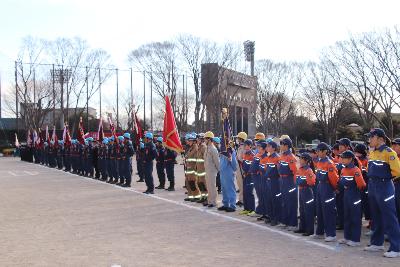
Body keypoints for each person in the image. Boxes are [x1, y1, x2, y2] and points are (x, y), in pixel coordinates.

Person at [364, 128, 400, 258]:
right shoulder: (372, 152)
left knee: (390, 217)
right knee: (376, 216)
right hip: (373, 185)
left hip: (384, 186)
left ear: (380, 139)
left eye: (371, 137)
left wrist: (385, 178)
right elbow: (370, 169)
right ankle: (377, 243)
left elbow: (397, 171)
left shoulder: (389, 152)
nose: (369, 140)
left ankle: (396, 247)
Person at [337, 150, 366, 247]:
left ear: (350, 159)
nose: (342, 159)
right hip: (346, 194)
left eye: (344, 158)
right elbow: (341, 181)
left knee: (355, 217)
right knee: (347, 216)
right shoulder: (343, 169)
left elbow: (361, 184)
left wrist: (352, 187)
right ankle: (347, 237)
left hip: (354, 195)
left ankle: (355, 239)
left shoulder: (356, 170)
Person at [313, 142, 339, 242]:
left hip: (327, 187)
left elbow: (334, 178)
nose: (317, 152)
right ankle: (319, 232)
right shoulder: (320, 162)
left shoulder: (329, 163)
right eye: (317, 150)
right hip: (320, 186)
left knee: (328, 211)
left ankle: (331, 234)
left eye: (319, 150)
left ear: (325, 151)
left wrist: (335, 188)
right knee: (319, 209)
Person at [278, 137, 298, 231]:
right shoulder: (282, 156)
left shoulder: (291, 157)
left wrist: (294, 185)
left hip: (290, 181)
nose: (280, 146)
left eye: (282, 144)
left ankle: (293, 223)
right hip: (283, 180)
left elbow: (295, 171)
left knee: (291, 202)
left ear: (286, 146)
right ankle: (285, 221)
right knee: (284, 201)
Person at [295, 152, 316, 236]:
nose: (299, 160)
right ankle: (302, 227)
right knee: (302, 209)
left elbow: (311, 182)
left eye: (301, 158)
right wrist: (300, 182)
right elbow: (296, 179)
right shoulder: (300, 169)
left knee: (308, 211)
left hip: (307, 191)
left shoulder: (309, 170)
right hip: (301, 190)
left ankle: (309, 229)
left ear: (306, 160)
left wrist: (303, 182)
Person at [264, 140, 281, 225]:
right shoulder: (268, 157)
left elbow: (279, 170)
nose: (267, 147)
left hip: (275, 180)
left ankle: (276, 218)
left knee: (275, 200)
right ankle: (270, 216)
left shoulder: (277, 157)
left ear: (273, 148)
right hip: (269, 180)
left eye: (269, 146)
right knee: (269, 199)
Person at [218, 147, 238, 212]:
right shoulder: (222, 149)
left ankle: (232, 205)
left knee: (230, 188)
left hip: (228, 172)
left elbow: (234, 164)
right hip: (222, 172)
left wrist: (231, 160)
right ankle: (225, 204)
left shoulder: (231, 150)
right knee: (224, 189)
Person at [204, 131, 220, 208]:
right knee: (208, 186)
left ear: (209, 139)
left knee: (212, 186)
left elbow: (217, 161)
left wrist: (219, 170)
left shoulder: (213, 149)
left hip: (212, 171)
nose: (204, 140)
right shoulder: (207, 148)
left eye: (205, 139)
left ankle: (213, 202)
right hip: (207, 170)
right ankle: (209, 200)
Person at [240, 139, 255, 215]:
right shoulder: (245, 154)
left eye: (246, 145)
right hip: (245, 175)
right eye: (244, 145)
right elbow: (244, 165)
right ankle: (246, 208)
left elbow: (252, 167)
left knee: (249, 192)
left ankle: (252, 209)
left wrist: (248, 173)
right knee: (245, 192)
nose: (245, 146)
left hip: (250, 176)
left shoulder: (252, 155)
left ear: (250, 146)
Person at [184, 133, 201, 201]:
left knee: (193, 183)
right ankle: (190, 196)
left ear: (193, 141)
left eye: (189, 141)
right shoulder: (191, 148)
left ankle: (196, 196)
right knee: (188, 183)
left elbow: (195, 159)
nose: (188, 142)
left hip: (193, 169)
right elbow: (188, 156)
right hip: (189, 168)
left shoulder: (195, 148)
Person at [235, 131, 248, 207]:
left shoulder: (244, 148)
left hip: (242, 168)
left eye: (238, 138)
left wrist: (239, 158)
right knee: (239, 184)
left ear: (241, 139)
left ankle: (242, 200)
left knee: (242, 184)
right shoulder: (240, 147)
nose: (237, 139)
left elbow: (243, 159)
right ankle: (240, 199)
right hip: (238, 168)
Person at [196, 133, 208, 203]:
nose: (197, 140)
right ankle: (203, 196)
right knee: (200, 184)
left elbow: (206, 159)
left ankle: (206, 198)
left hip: (203, 169)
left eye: (198, 139)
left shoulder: (204, 147)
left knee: (204, 184)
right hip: (199, 169)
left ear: (201, 139)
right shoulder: (199, 147)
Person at [392, 138, 400, 223]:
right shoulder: (393, 157)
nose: (393, 147)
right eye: (393, 145)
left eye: (396, 145)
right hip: (393, 184)